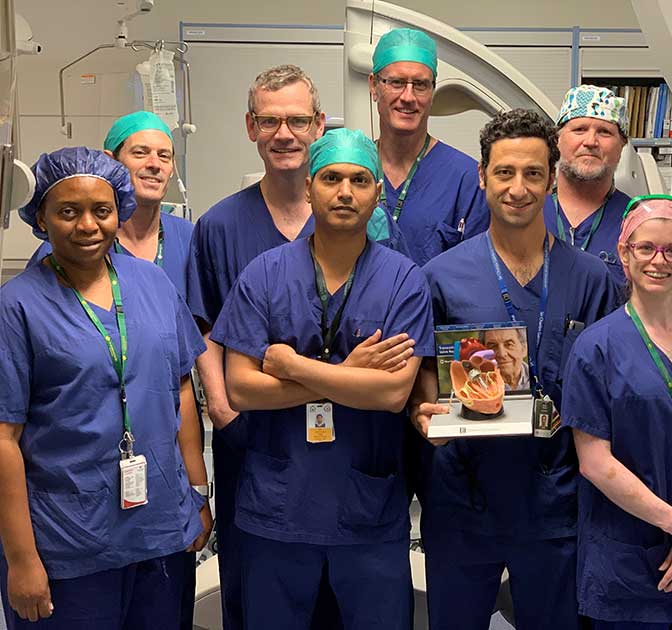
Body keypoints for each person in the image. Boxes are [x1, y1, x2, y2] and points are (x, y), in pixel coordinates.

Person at [185, 65, 413, 630]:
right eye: (331, 179)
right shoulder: (254, 262)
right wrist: (347, 373)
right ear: (312, 188)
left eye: (359, 181)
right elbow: (237, 382)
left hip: (363, 492)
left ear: (377, 193)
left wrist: (288, 365)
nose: (344, 192)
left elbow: (391, 393)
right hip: (275, 483)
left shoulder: (401, 275)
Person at [411, 109, 621, 630]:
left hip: (556, 499)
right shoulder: (440, 277)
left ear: (552, 179)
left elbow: (609, 386)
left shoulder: (592, 280)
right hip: (464, 494)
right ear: (482, 177)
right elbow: (424, 377)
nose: (518, 188)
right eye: (504, 173)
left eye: (532, 173)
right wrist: (424, 414)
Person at [0, 147, 211, 629]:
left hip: (160, 528)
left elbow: (180, 390)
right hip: (68, 541)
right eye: (68, 212)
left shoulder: (153, 283)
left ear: (120, 210)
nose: (87, 225)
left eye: (101, 210)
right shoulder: (17, 307)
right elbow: (3, 439)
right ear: (41, 218)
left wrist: (197, 495)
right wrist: (22, 559)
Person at [562, 195, 672, 628]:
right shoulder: (595, 348)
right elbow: (595, 463)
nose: (658, 260)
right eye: (645, 248)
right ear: (624, 253)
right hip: (627, 557)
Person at [28, 111, 195, 297]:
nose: (155, 164)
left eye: (164, 156)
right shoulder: (67, 245)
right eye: (140, 153)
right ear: (111, 160)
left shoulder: (189, 237)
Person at [370, 28, 489, 266]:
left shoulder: (466, 179)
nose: (408, 97)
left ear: (433, 91)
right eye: (396, 82)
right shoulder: (352, 172)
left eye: (421, 85)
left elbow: (477, 274)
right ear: (374, 86)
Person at [544, 84, 631, 284]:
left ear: (622, 145)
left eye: (604, 132)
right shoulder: (528, 210)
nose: (591, 141)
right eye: (579, 129)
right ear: (557, 139)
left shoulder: (636, 220)